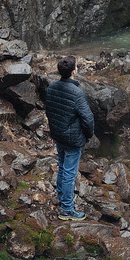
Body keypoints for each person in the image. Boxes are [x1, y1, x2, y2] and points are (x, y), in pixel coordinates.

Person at [45, 55, 95, 221]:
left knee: (62, 166)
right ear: (74, 71)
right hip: (72, 139)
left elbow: (49, 111)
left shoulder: (51, 87)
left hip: (58, 135)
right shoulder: (77, 93)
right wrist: (87, 136)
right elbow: (88, 119)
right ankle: (67, 209)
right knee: (69, 173)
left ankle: (62, 197)